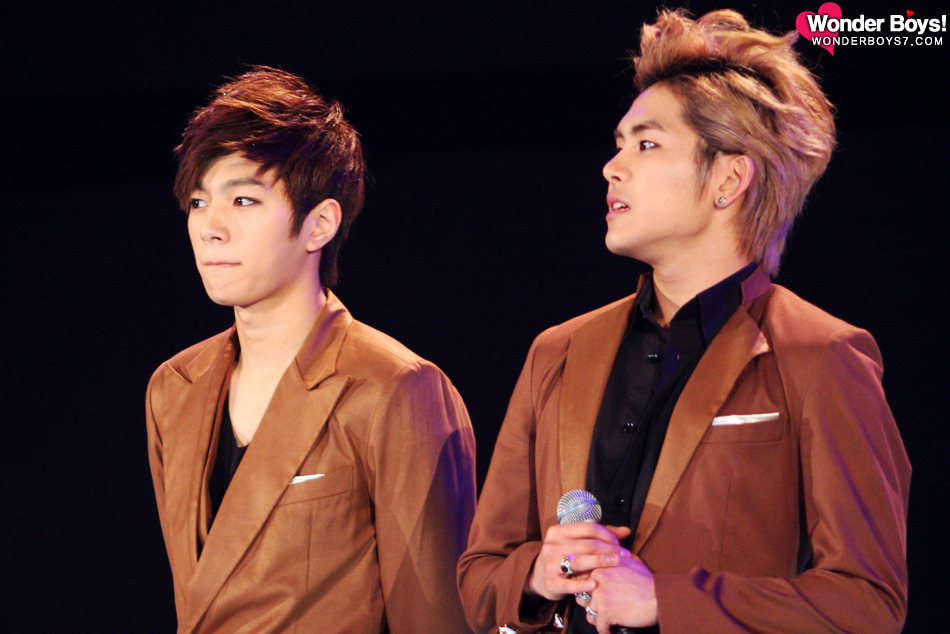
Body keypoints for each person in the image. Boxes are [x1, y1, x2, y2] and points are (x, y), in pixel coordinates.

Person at [457, 9, 909, 634]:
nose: (612, 166)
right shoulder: (557, 350)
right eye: (619, 144)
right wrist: (538, 572)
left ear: (729, 177)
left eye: (646, 144)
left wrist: (666, 601)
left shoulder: (821, 354)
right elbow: (479, 578)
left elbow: (867, 604)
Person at [146, 66, 476, 633]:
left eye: (243, 200)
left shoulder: (394, 387)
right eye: (198, 203)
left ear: (320, 224)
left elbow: (436, 617)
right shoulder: (173, 387)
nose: (210, 227)